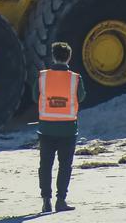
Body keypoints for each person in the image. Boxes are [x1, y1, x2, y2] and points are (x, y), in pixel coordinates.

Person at [33, 41, 86, 213]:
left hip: (46, 128)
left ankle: (46, 201)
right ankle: (61, 200)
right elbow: (82, 97)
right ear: (69, 57)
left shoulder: (42, 76)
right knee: (65, 166)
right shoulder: (75, 78)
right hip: (68, 129)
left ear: (53, 56)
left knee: (45, 165)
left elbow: (35, 96)